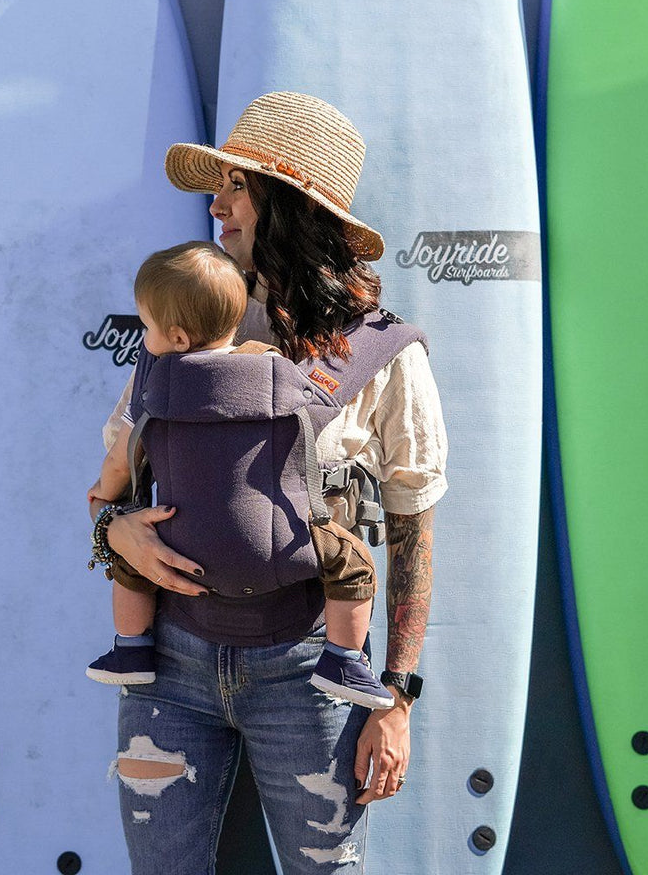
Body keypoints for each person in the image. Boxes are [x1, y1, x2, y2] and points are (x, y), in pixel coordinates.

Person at [90, 92, 446, 873]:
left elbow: (414, 534)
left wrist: (396, 700)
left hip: (313, 673)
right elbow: (114, 482)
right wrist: (114, 534)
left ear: (288, 207)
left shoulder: (384, 354)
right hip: (169, 667)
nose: (215, 204)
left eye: (238, 186)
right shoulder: (185, 324)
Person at [85, 240, 394, 710]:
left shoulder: (158, 385)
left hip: (179, 546)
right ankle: (344, 660)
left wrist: (105, 500)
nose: (144, 337)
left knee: (133, 563)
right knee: (353, 563)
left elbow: (121, 460)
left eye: (146, 326)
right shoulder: (275, 370)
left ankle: (131, 649)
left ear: (178, 337)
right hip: (283, 552)